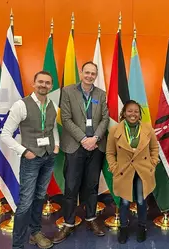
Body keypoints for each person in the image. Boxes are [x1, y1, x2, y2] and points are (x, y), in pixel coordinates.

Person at [1, 71, 59, 249]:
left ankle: (36, 233)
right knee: (26, 201)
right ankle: (18, 244)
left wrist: (56, 144)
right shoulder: (21, 105)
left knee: (40, 197)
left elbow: (52, 127)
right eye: (40, 82)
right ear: (33, 83)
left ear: (51, 86)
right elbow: (5, 135)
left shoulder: (52, 104)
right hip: (31, 159)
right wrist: (24, 151)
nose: (44, 85)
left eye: (47, 83)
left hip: (48, 157)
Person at [53, 61, 109, 244]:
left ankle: (91, 219)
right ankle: (68, 223)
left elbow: (105, 119)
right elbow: (66, 119)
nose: (90, 76)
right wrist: (83, 139)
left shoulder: (101, 94)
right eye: (87, 72)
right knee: (71, 187)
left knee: (92, 186)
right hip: (75, 146)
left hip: (96, 146)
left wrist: (95, 138)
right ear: (81, 72)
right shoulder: (68, 91)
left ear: (96, 75)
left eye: (93, 73)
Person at [106, 100, 159, 244]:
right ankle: (123, 227)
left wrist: (152, 163)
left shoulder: (148, 129)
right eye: (129, 111)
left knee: (141, 201)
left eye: (136, 111)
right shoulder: (115, 130)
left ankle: (142, 227)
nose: (133, 114)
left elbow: (155, 149)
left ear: (140, 114)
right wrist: (114, 167)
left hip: (142, 170)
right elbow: (110, 152)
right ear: (123, 113)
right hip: (124, 171)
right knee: (124, 202)